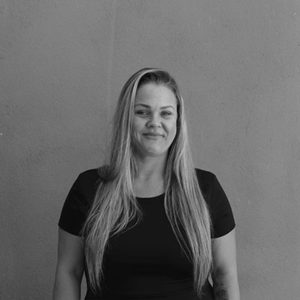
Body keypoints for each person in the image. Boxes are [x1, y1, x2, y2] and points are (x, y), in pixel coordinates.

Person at [52, 68, 240, 300]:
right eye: (142, 112)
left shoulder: (205, 189)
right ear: (126, 118)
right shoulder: (89, 188)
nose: (155, 122)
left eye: (166, 113)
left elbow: (225, 277)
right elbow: (68, 272)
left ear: (178, 122)